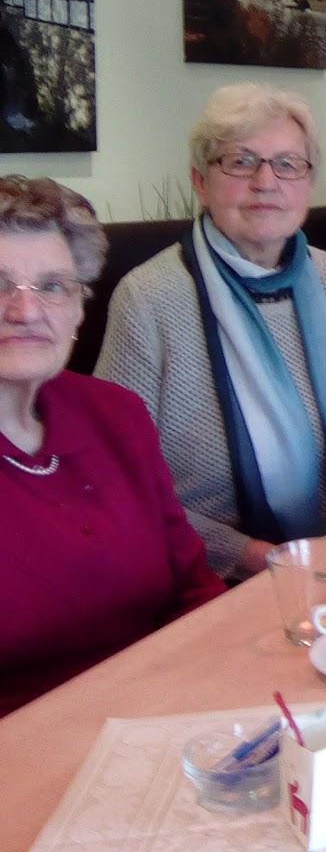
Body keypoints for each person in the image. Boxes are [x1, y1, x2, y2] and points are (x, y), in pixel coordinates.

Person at [96, 84, 326, 581]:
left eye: (288, 163)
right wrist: (264, 560)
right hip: (218, 575)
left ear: (308, 183)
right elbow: (123, 483)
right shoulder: (149, 300)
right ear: (201, 181)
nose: (266, 181)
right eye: (240, 162)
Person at [0, 177, 225, 716]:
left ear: (80, 308)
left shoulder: (114, 414)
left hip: (170, 715)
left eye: (53, 286)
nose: (25, 311)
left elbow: (194, 590)